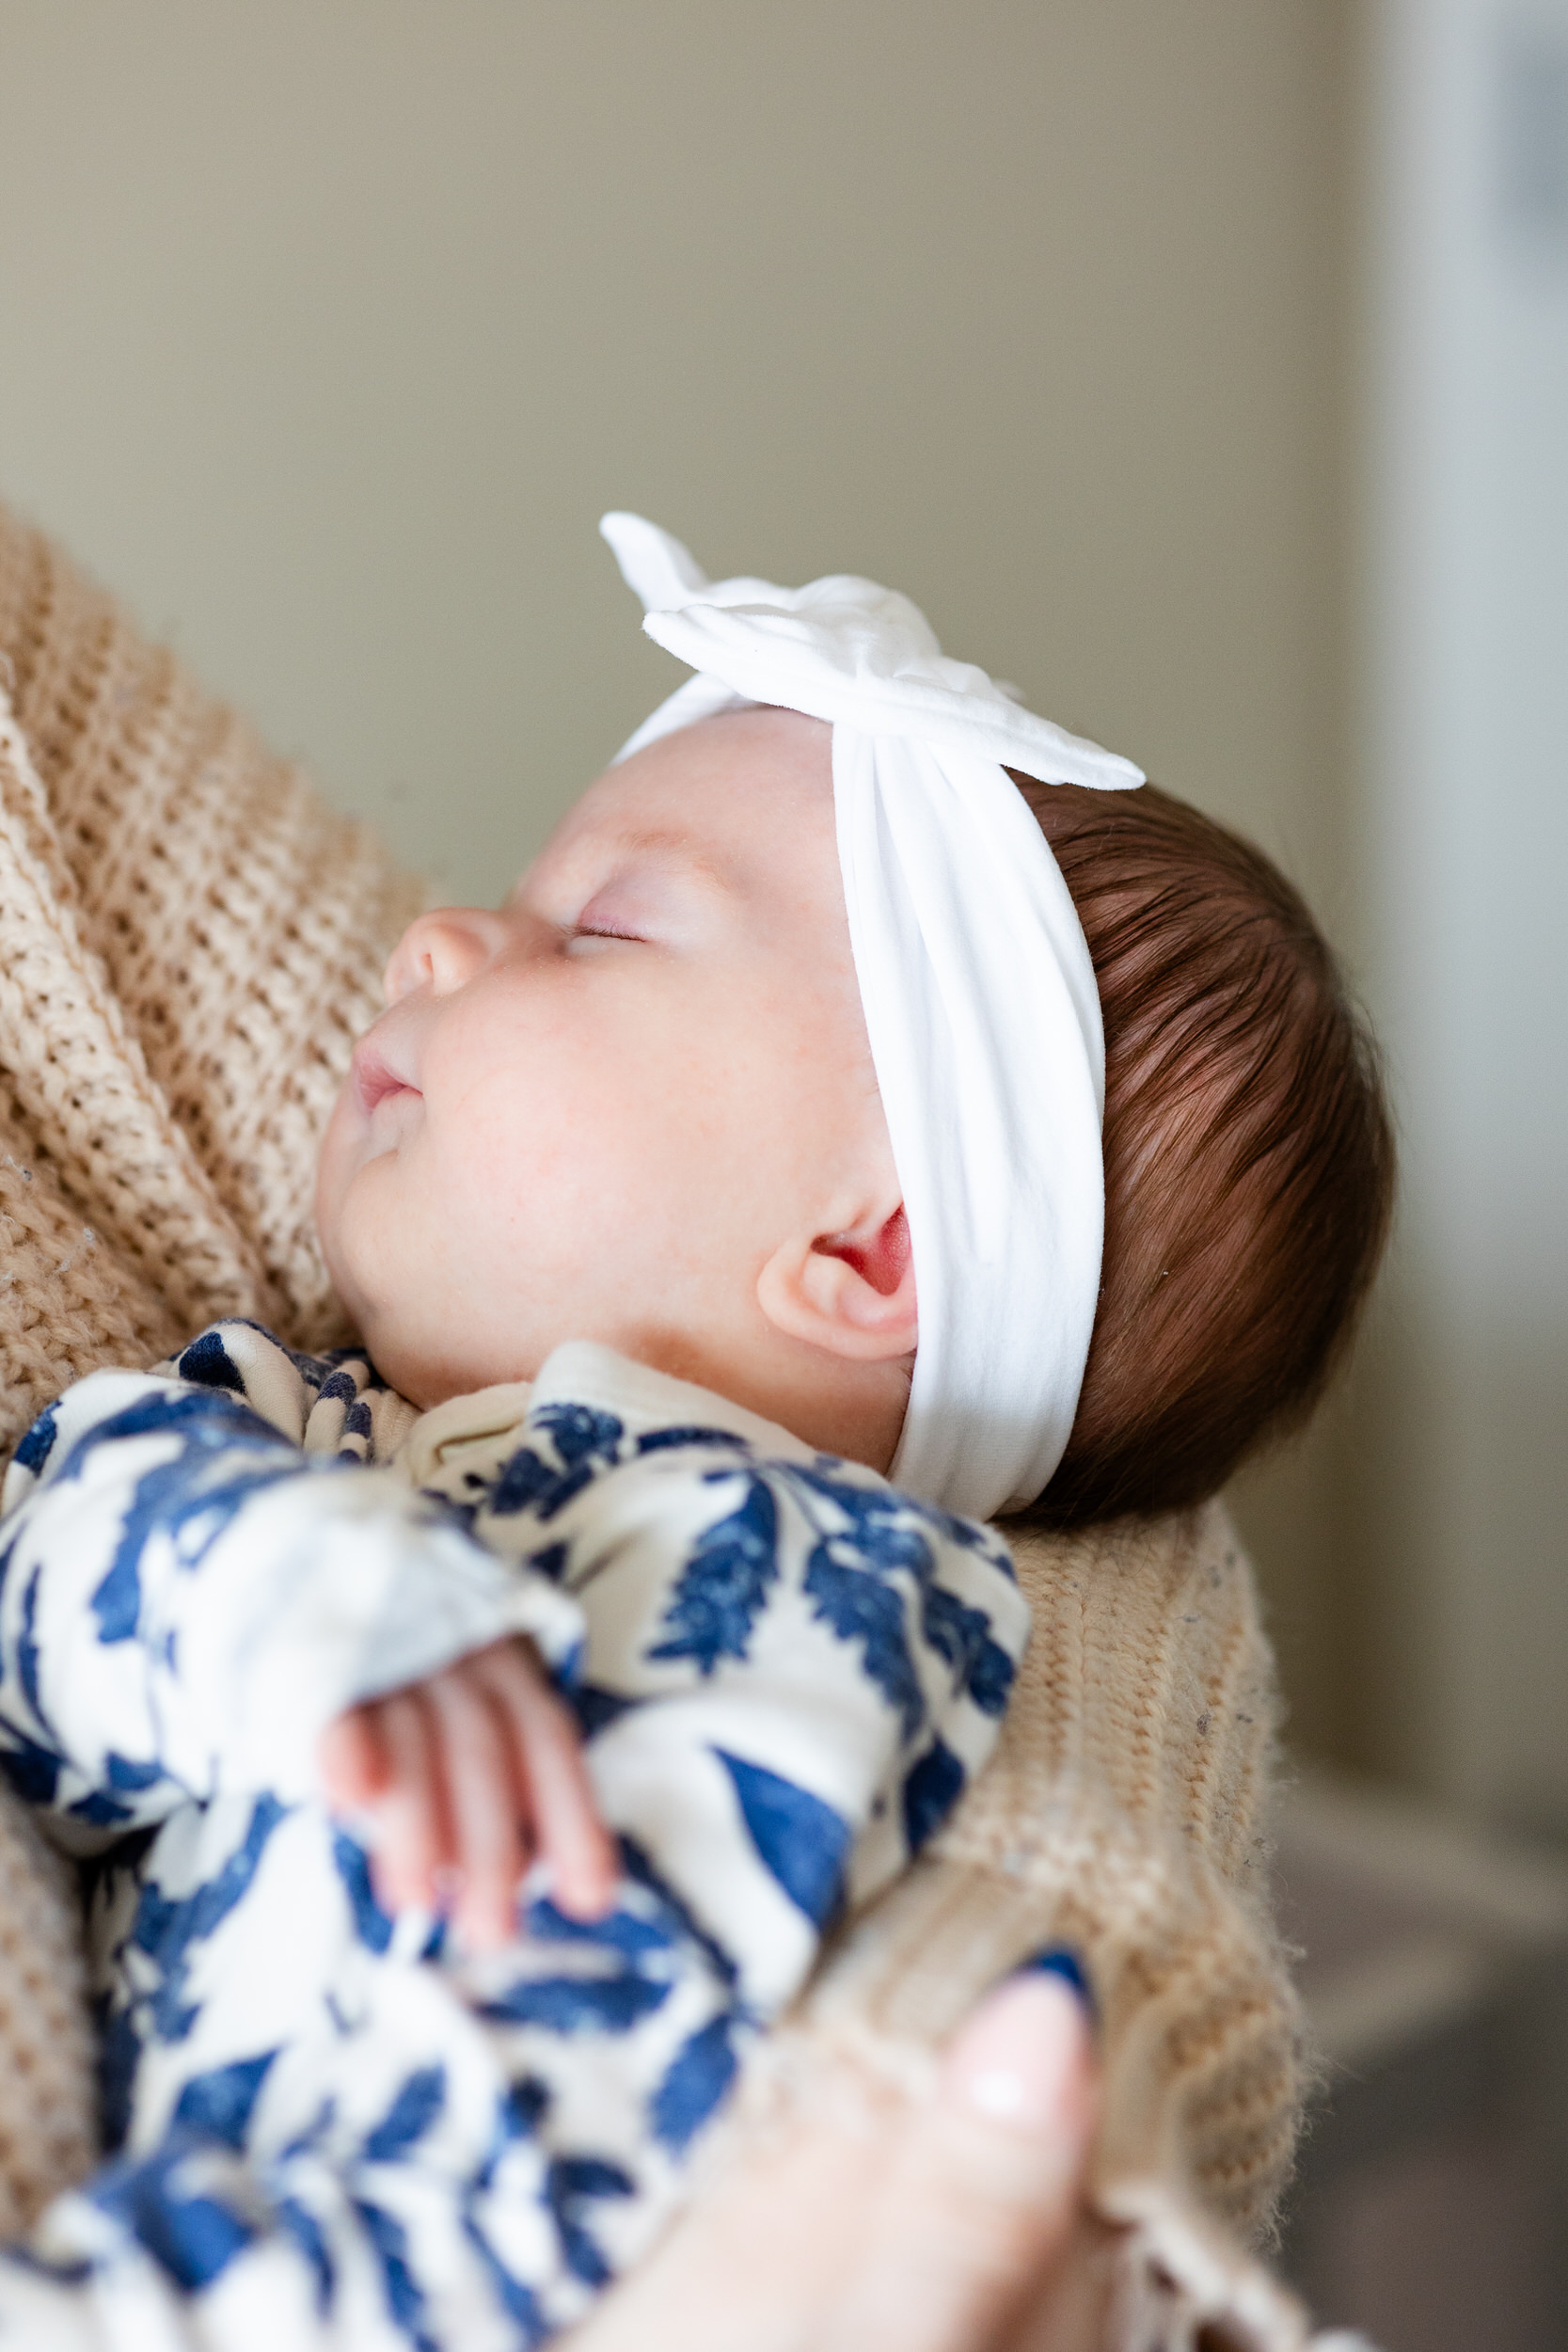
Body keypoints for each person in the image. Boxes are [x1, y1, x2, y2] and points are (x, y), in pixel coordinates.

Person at [0, 519, 1392, 2348]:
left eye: (601, 923)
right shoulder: (283, 1431)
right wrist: (282, 1588)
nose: (432, 933)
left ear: (864, 1250)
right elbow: (43, 1568)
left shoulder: (906, 1603)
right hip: (263, 2244)